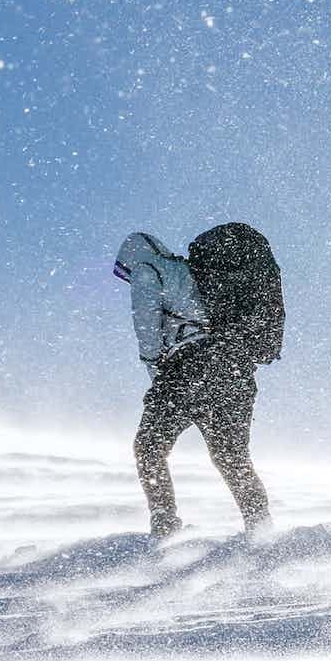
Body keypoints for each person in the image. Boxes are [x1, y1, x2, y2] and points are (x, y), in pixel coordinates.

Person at [115, 226, 280, 538]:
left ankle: (165, 527)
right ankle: (261, 528)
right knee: (232, 457)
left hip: (188, 368)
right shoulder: (197, 272)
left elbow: (147, 330)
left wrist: (157, 373)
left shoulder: (147, 270)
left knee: (149, 447)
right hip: (233, 368)